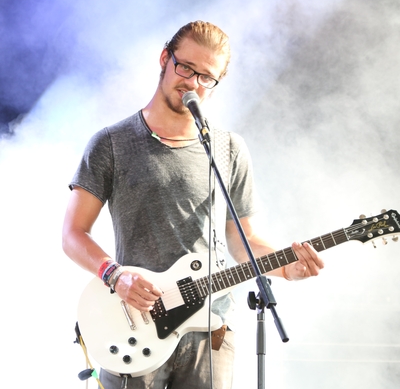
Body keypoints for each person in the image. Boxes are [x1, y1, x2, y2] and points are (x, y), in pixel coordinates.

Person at [62, 20, 324, 389]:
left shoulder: (229, 148)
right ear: (164, 59)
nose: (193, 84)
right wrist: (115, 275)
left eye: (206, 77)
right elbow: (73, 234)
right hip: (135, 325)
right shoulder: (111, 143)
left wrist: (286, 268)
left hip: (211, 330)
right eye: (186, 68)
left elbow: (244, 241)